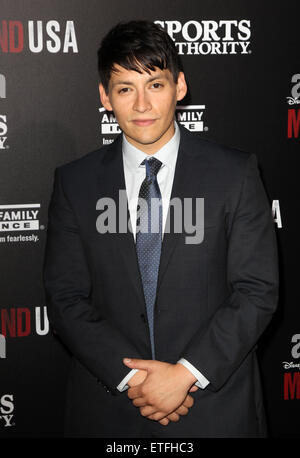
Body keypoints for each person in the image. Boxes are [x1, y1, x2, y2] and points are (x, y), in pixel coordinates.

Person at [43, 20, 279, 438]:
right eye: (125, 88)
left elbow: (257, 289)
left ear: (180, 86)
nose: (141, 105)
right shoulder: (75, 183)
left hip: (215, 408)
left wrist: (186, 374)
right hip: (111, 408)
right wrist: (139, 382)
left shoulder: (234, 174)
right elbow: (65, 298)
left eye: (155, 84)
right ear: (104, 97)